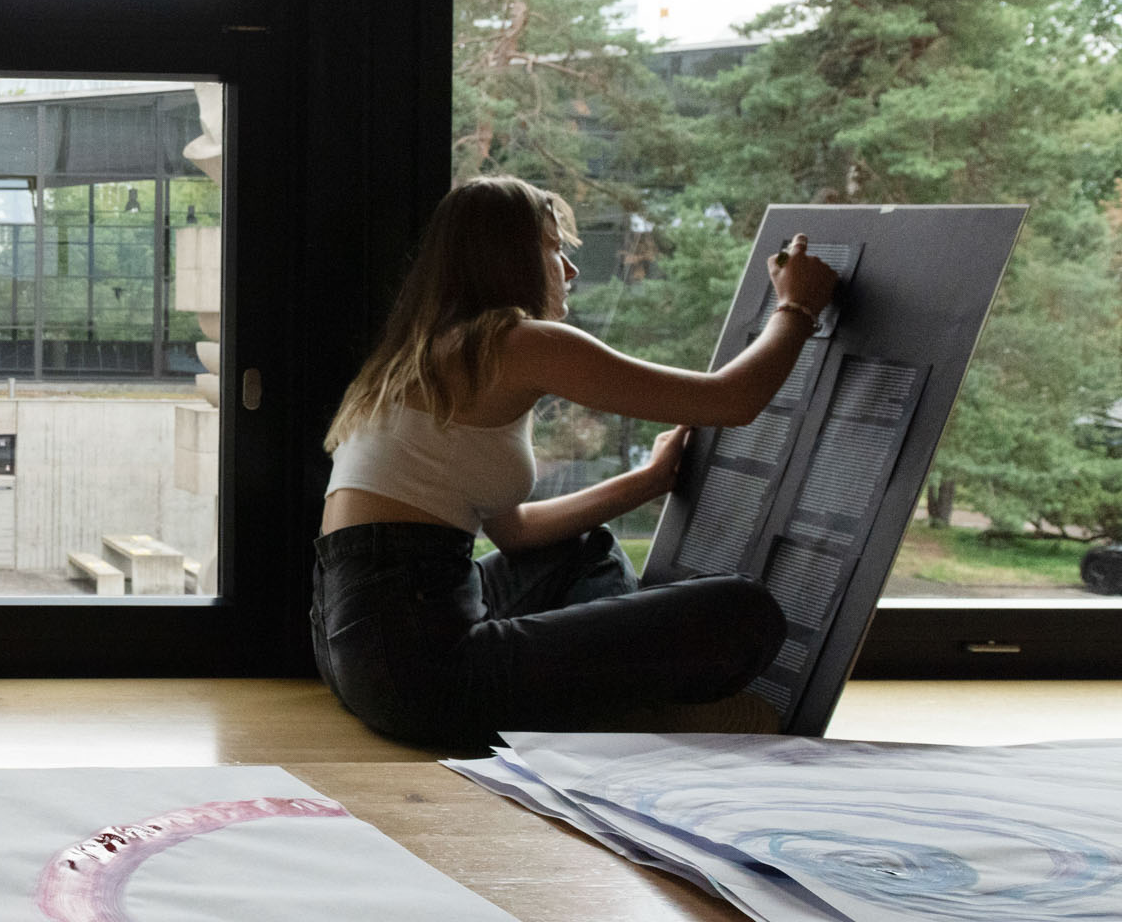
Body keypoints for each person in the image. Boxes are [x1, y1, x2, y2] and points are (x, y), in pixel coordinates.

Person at [313, 174, 838, 749]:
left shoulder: (419, 355)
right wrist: (796, 305)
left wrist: (646, 482)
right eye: (554, 248)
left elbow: (513, 534)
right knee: (746, 613)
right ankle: (628, 714)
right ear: (508, 257)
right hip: (423, 671)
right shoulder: (516, 343)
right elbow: (730, 401)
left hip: (362, 653)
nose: (569, 270)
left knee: (589, 547)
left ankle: (603, 700)